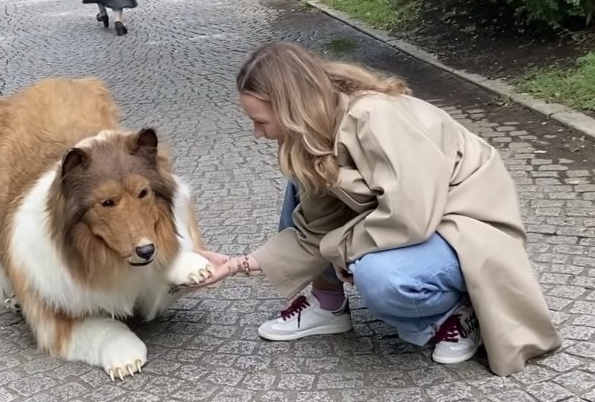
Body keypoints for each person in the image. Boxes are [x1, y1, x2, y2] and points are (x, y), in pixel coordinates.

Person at [195, 41, 562, 376]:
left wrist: (344, 248)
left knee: (380, 277)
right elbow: (314, 230)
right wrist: (235, 264)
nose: (258, 134)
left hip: (465, 225)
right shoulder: (313, 135)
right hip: (419, 220)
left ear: (291, 109)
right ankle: (327, 303)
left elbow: (410, 217)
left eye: (260, 121)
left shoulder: (375, 116)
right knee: (302, 181)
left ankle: (456, 312)